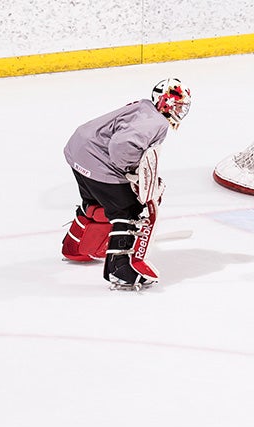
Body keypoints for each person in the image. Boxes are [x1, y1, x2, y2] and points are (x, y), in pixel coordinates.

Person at [60, 78, 191, 289]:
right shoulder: (155, 121)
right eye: (176, 105)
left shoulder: (144, 108)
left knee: (96, 204)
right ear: (164, 102)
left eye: (183, 107)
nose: (180, 111)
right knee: (130, 211)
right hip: (96, 159)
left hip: (78, 151)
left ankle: (75, 247)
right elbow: (122, 146)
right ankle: (120, 269)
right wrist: (131, 171)